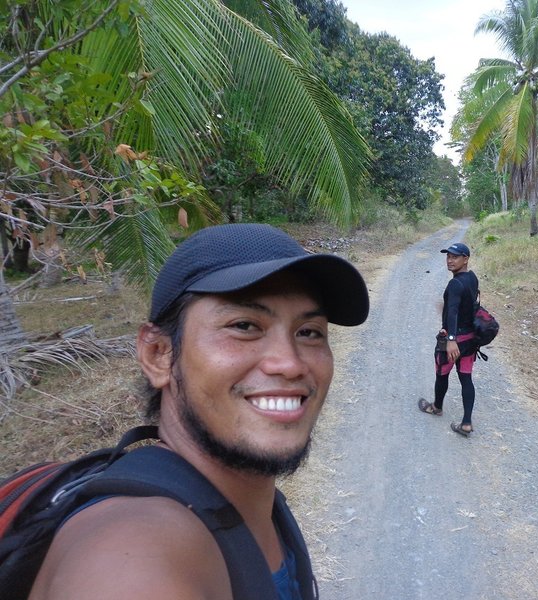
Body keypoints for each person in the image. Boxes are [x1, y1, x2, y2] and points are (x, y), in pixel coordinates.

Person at [28, 223, 369, 600]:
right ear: (159, 355)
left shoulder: (255, 503)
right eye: (244, 326)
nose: (290, 364)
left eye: (309, 332)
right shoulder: (133, 554)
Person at [418, 242, 478, 437]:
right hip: (470, 339)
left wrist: (451, 339)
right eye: (448, 256)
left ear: (466, 259)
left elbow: (452, 312)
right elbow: (466, 306)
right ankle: (467, 423)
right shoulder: (472, 278)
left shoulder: (454, 283)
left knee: (442, 374)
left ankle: (436, 407)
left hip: (453, 341)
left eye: (455, 257)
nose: (450, 260)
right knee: (466, 378)